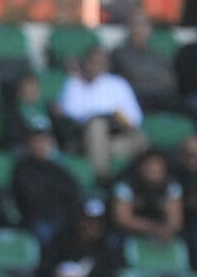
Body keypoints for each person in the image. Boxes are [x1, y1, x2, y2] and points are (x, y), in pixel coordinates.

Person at [58, 47, 144, 180]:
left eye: (100, 62)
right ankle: (102, 177)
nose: (95, 66)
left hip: (115, 134)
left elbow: (135, 117)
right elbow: (71, 114)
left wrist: (119, 120)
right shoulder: (73, 83)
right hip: (84, 135)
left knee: (140, 139)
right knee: (97, 124)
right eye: (92, 62)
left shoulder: (118, 84)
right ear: (84, 62)